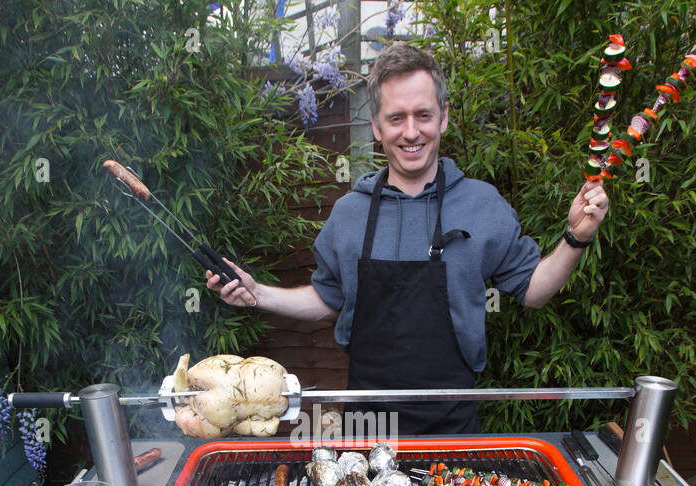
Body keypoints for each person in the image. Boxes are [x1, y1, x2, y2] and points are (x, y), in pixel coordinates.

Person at [207, 42, 609, 435]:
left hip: (452, 427)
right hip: (366, 427)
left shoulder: (482, 205)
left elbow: (533, 291)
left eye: (423, 115)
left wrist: (575, 237)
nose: (411, 132)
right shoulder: (349, 214)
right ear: (378, 127)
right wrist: (257, 292)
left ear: (444, 117)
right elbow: (327, 300)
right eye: (396, 118)